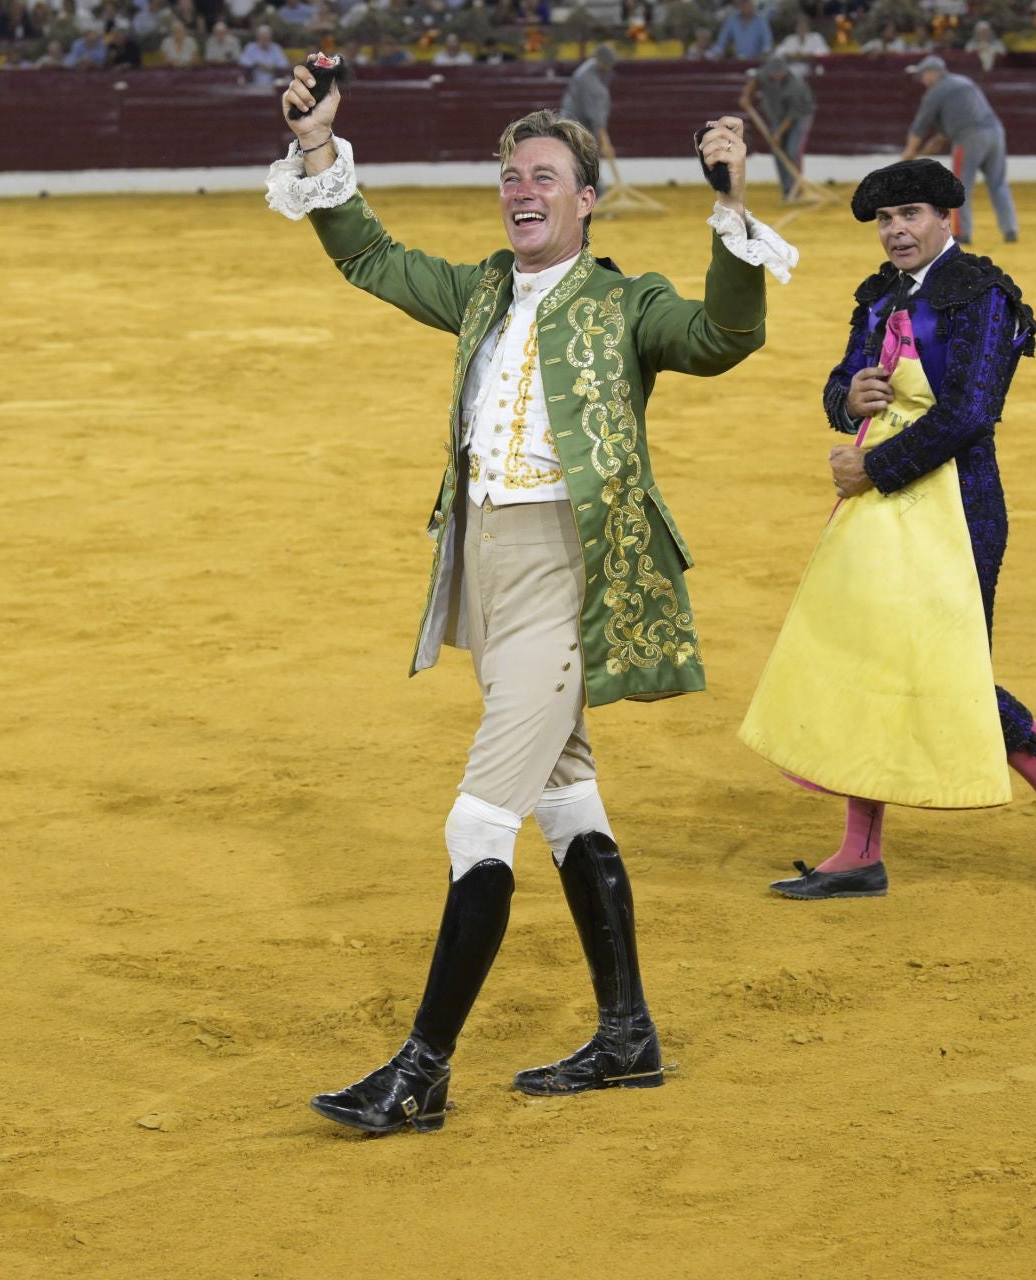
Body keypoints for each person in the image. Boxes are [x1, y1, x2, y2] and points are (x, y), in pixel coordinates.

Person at [267, 71, 795, 1134]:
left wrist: (733, 208)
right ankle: (627, 1033)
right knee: (568, 798)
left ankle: (423, 1068)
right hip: (485, 571)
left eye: (543, 175)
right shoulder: (478, 293)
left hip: (571, 566)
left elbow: (722, 338)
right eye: (509, 175)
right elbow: (368, 254)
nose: (520, 188)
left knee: (477, 817)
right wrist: (321, 145)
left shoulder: (625, 299)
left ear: (586, 198)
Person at [741, 159, 1036, 900]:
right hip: (875, 508)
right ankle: (859, 851)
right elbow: (839, 382)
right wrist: (850, 396)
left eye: (910, 215)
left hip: (959, 506)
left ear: (947, 219)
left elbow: (970, 412)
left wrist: (873, 467)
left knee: (951, 670)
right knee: (865, 658)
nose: (896, 231)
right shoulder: (877, 296)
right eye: (885, 220)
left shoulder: (983, 293)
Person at [899, 54, 1016, 246]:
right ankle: (1010, 229)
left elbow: (919, 127)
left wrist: (908, 153)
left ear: (932, 74)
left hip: (969, 138)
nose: (923, 81)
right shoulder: (964, 82)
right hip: (995, 133)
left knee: (959, 188)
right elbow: (961, 116)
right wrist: (938, 139)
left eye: (924, 76)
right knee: (998, 183)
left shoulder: (935, 92)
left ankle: (963, 233)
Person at [742, 53, 815, 203]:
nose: (775, 77)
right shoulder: (765, 73)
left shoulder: (796, 86)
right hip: (777, 116)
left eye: (778, 74)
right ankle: (788, 191)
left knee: (792, 151)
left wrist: (778, 133)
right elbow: (755, 81)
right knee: (778, 152)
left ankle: (797, 191)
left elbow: (792, 115)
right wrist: (746, 96)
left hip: (799, 117)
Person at [559, 44, 616, 193]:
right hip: (577, 126)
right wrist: (605, 142)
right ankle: (597, 196)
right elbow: (597, 116)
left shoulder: (589, 70)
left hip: (573, 123)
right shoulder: (591, 82)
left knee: (580, 162)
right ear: (602, 63)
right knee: (585, 161)